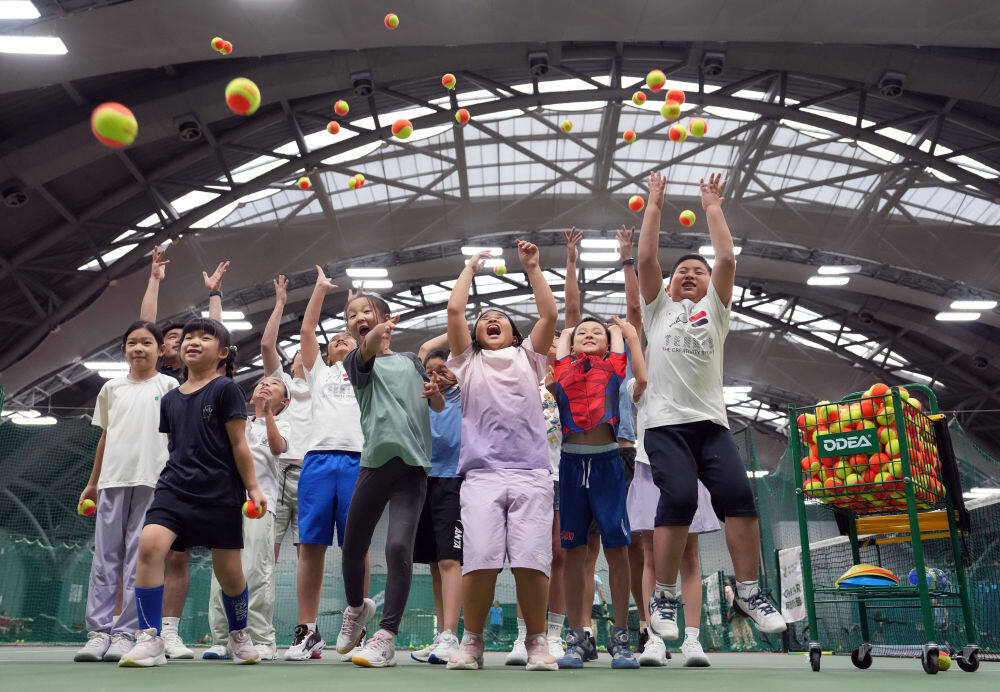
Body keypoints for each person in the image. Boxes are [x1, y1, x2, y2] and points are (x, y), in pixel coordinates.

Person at [636, 171, 786, 640]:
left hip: (712, 425)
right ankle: (664, 596)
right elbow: (645, 259)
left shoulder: (716, 312)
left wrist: (713, 208)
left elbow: (725, 257)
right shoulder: (657, 310)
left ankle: (749, 591)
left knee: (740, 497)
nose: (689, 273)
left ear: (709, 285)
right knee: (679, 498)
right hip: (665, 425)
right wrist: (654, 203)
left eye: (697, 271)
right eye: (681, 270)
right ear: (668, 284)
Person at [118, 318, 266, 667]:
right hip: (174, 489)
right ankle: (149, 638)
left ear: (223, 352)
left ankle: (239, 635)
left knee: (229, 573)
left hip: (220, 493)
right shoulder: (170, 399)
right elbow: (176, 445)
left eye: (205, 337)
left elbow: (239, 444)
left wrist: (253, 488)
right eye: (188, 337)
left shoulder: (226, 390)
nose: (193, 341)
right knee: (150, 545)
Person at [444, 242, 558, 672]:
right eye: (484, 320)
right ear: (474, 335)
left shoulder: (529, 358)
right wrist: (469, 269)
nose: (491, 320)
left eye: (501, 318)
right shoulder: (466, 363)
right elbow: (455, 311)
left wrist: (533, 268)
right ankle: (471, 642)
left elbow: (548, 315)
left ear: (514, 334)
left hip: (532, 474)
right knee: (480, 561)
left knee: (531, 561)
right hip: (481, 477)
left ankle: (537, 642)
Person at [335, 281, 445, 668]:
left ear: (386, 319)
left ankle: (386, 637)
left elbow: (436, 405)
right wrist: (374, 330)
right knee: (352, 547)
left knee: (399, 547)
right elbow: (367, 346)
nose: (358, 318)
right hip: (374, 465)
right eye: (351, 315)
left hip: (412, 469)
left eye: (366, 311)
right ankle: (356, 608)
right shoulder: (356, 361)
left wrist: (435, 395)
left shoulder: (411, 362)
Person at [137, 249, 230, 658]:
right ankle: (142, 634)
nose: (184, 340)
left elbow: (216, 332)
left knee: (183, 558)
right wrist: (154, 280)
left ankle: (170, 632)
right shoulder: (162, 381)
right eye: (174, 338)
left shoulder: (211, 382)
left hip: (204, 481)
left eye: (191, 336)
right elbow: (146, 327)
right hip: (162, 475)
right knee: (152, 550)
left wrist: (215, 295)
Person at [74, 321, 179, 663]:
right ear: (124, 349)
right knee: (105, 559)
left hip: (153, 482)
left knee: (139, 559)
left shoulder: (170, 386)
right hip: (111, 481)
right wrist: (93, 482)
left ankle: (125, 633)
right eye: (132, 342)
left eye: (146, 342)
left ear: (161, 350)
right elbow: (105, 437)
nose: (139, 348)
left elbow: (177, 437)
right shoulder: (111, 388)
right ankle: (98, 632)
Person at [552, 312, 645, 670]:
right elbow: (564, 342)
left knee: (617, 550)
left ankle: (621, 638)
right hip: (571, 465)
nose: (589, 335)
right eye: (582, 333)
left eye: (597, 333)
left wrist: (618, 330)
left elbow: (619, 345)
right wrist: (567, 333)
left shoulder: (615, 368)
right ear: (571, 343)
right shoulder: (563, 369)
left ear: (608, 345)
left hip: (608, 463)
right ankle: (577, 635)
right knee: (573, 552)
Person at [285, 269, 366, 662]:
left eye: (348, 337)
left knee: (356, 547)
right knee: (311, 547)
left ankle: (358, 629)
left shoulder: (368, 370)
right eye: (335, 340)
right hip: (317, 461)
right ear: (326, 353)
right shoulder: (319, 372)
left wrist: (358, 311)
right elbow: (307, 329)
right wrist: (319, 290)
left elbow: (368, 337)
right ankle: (308, 631)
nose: (342, 339)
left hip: (358, 461)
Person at [628, 376, 720, 666]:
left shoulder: (687, 374)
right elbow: (639, 383)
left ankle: (692, 640)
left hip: (688, 465)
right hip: (649, 466)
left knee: (689, 556)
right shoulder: (638, 380)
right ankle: (654, 639)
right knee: (651, 555)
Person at [203, 376, 290, 661]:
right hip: (226, 503)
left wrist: (267, 414)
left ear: (284, 401)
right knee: (222, 572)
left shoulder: (283, 424)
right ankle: (221, 639)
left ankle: (262, 639)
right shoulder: (237, 423)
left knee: (256, 571)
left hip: (260, 505)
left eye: (274, 384)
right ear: (250, 396)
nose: (265, 385)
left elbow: (277, 448)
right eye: (262, 382)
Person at [410, 336, 464, 665]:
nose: (435, 375)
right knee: (433, 564)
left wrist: (461, 327)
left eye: (442, 369)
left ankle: (452, 634)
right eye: (429, 371)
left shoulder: (464, 393)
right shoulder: (423, 396)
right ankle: (442, 634)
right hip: (423, 480)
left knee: (449, 561)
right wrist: (428, 368)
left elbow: (457, 352)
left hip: (454, 481)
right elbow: (420, 353)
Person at [260, 277, 311, 565]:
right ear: (291, 366)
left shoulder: (325, 386)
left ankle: (308, 600)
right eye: (300, 353)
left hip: (310, 473)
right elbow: (267, 344)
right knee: (269, 547)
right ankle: (264, 594)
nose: (306, 354)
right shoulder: (283, 386)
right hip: (278, 471)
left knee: (307, 550)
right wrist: (280, 302)